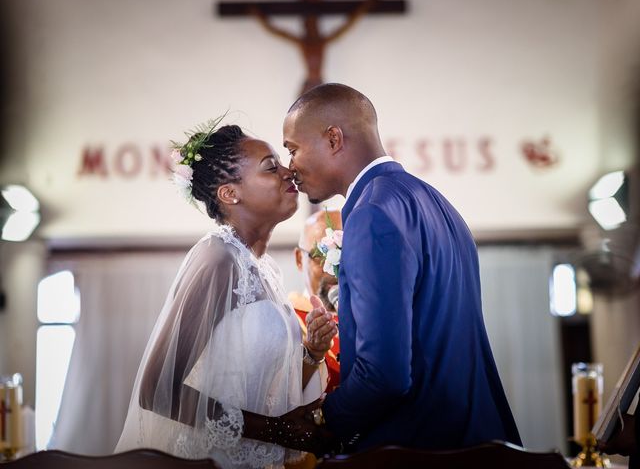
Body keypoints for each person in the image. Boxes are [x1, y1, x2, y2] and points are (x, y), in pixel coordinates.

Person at [283, 83, 522, 452]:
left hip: (420, 449)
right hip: (475, 440)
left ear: (333, 139)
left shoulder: (372, 213)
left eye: (293, 149)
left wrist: (322, 419)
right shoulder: (435, 203)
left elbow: (384, 375)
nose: (290, 167)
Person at [115, 122, 338, 468]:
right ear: (230, 194)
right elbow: (158, 389)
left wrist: (311, 354)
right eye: (270, 166)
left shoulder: (264, 269)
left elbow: (264, 389)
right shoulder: (216, 257)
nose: (287, 170)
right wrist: (281, 432)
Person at [289, 209, 342, 393]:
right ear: (299, 259)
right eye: (321, 256)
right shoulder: (285, 319)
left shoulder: (375, 315)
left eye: (343, 254)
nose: (332, 270)